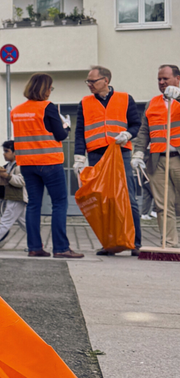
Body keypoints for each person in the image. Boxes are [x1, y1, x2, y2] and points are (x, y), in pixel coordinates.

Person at [10, 73, 84, 258]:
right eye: (50, 87)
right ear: (45, 89)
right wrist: (66, 125)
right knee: (59, 203)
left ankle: (34, 248)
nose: (51, 91)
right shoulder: (47, 108)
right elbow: (60, 135)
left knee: (33, 204)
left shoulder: (17, 111)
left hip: (27, 164)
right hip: (49, 162)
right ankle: (61, 248)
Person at [73, 66, 143, 256]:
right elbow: (80, 132)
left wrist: (128, 134)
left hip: (120, 152)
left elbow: (136, 124)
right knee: (103, 200)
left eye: (92, 81)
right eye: (88, 81)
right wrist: (79, 157)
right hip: (96, 154)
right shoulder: (85, 103)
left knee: (127, 197)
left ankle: (135, 243)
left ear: (106, 80)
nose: (89, 85)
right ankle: (109, 243)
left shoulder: (125, 98)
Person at [131, 65, 180, 247]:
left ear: (177, 79)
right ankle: (169, 243)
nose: (161, 82)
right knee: (162, 204)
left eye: (165, 79)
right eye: (159, 79)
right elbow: (144, 131)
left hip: (178, 157)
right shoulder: (152, 103)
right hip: (157, 159)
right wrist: (138, 152)